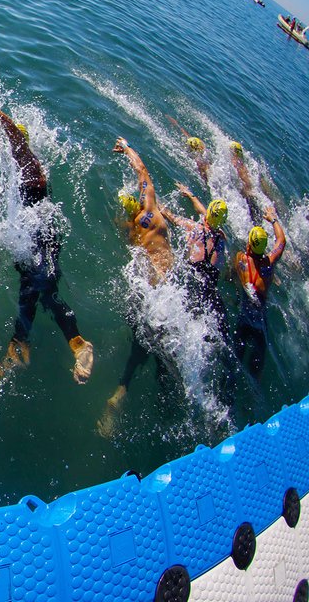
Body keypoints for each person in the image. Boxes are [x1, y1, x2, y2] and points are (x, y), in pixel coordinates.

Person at [0, 101, 92, 383]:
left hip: (44, 236)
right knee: (39, 288)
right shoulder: (29, 168)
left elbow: (10, 130)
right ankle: (38, 343)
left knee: (38, 287)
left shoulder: (28, 163)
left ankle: (28, 345)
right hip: (39, 234)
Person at [99, 139, 182, 437]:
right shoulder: (154, 215)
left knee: (140, 343)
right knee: (163, 348)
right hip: (163, 290)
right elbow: (143, 173)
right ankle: (166, 401)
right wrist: (127, 148)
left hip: (141, 289)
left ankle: (122, 391)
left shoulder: (132, 232)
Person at [162, 186, 230, 340]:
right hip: (211, 292)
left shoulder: (194, 228)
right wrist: (191, 196)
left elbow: (170, 216)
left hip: (193, 285)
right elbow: (209, 218)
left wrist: (154, 201)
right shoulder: (222, 239)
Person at [229, 209, 285, 387]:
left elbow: (230, 276)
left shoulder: (241, 260)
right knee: (255, 375)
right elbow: (281, 242)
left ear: (249, 245)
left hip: (244, 319)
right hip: (260, 322)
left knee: (234, 365)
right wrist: (273, 219)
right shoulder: (269, 264)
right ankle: (254, 398)